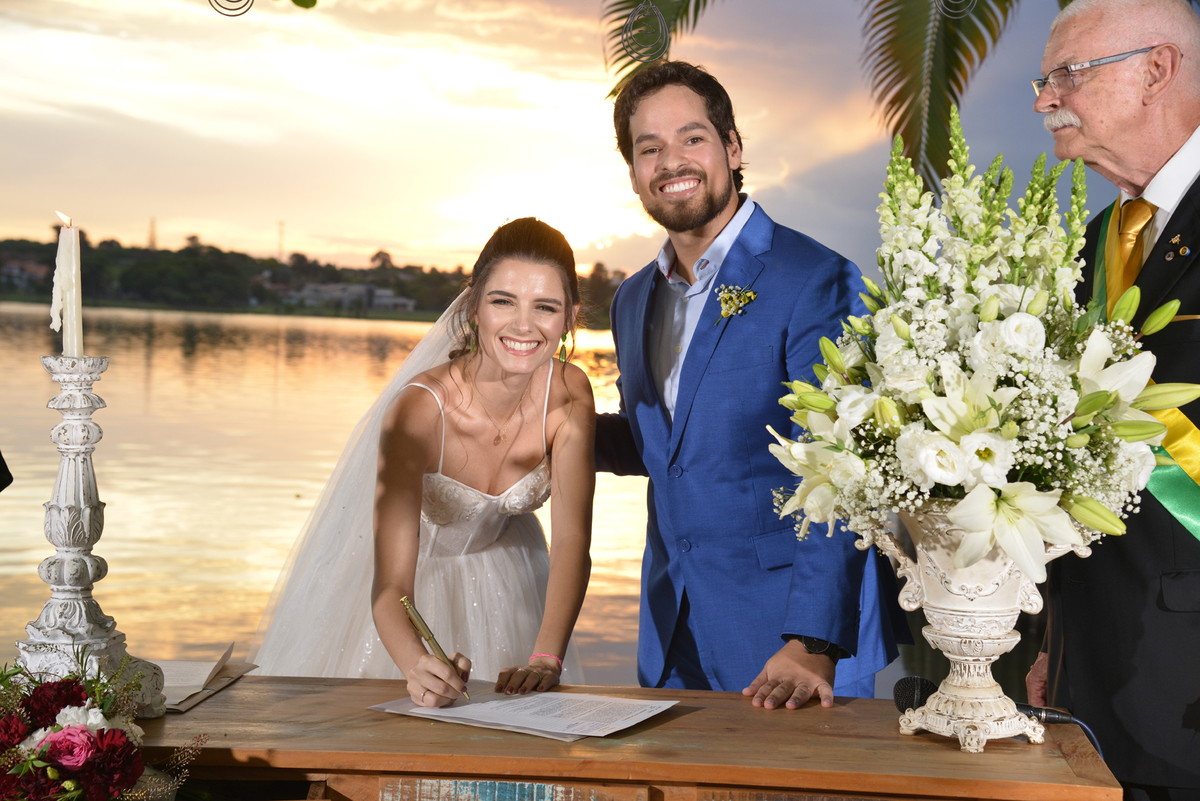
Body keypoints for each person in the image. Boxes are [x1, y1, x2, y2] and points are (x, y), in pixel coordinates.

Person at [595, 61, 906, 709]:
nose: (670, 160)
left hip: (793, 641)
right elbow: (669, 449)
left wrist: (812, 641)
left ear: (733, 148)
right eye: (648, 148)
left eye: (691, 138)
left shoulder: (815, 278)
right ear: (632, 173)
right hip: (672, 632)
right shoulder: (631, 300)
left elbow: (844, 467)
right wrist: (558, 430)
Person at [251, 218, 596, 707]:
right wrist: (416, 666)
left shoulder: (570, 392)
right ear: (474, 306)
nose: (524, 325)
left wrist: (546, 657)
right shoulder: (418, 411)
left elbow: (571, 539)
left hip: (515, 575)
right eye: (503, 301)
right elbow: (392, 583)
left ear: (570, 319)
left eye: (545, 306)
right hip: (406, 593)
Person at [1027, 0, 1200, 795]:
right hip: (1084, 683)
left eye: (1069, 73)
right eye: (1042, 78)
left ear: (1158, 69)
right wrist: (1050, 641)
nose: (1043, 97)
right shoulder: (1099, 240)